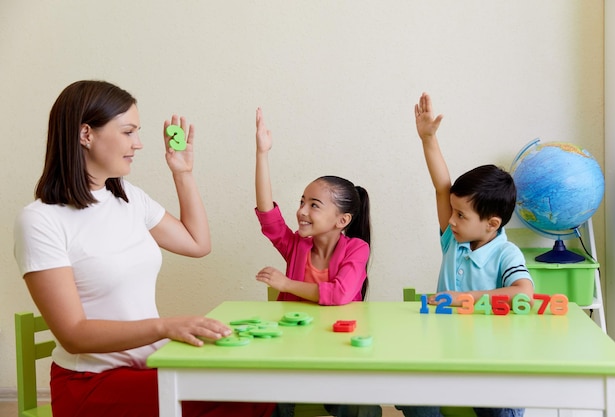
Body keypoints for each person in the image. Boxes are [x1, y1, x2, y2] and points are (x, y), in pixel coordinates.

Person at [13, 80, 276, 417]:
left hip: (150, 365)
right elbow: (74, 335)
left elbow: (197, 244)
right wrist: (166, 326)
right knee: (243, 395)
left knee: (255, 381)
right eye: (128, 132)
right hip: (90, 384)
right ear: (85, 134)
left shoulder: (126, 196)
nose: (138, 144)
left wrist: (183, 173)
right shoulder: (40, 221)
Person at [395, 93, 534, 417]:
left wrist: (461, 298)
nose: (451, 221)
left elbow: (523, 292)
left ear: (492, 224)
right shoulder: (453, 240)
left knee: (502, 408)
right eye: (452, 213)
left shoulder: (506, 253)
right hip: (447, 353)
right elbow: (443, 187)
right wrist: (428, 139)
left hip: (492, 360)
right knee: (410, 396)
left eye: (461, 216)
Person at [254, 108, 381, 417]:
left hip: (336, 347)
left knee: (349, 405)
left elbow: (338, 294)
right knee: (276, 400)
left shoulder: (357, 250)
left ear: (342, 220)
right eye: (301, 202)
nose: (302, 211)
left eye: (314, 205)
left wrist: (285, 284)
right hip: (293, 346)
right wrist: (262, 154)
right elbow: (269, 217)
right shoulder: (296, 245)